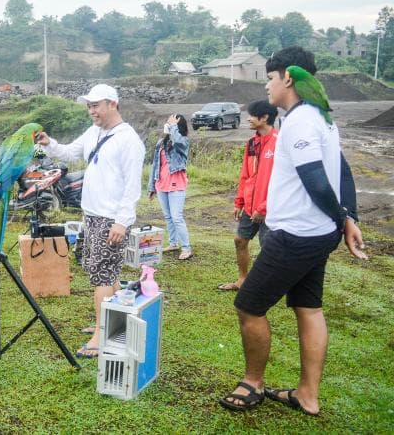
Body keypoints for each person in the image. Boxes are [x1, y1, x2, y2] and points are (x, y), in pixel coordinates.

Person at [219, 46, 367, 415]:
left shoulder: (301, 119)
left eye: (270, 78)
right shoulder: (321, 117)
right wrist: (347, 218)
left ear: (288, 77)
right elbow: (343, 172)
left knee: (249, 305)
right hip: (318, 233)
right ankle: (307, 395)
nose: (267, 86)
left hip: (297, 234)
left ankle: (252, 383)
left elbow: (317, 179)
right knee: (308, 308)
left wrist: (340, 217)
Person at [36, 84, 145, 358]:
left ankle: (101, 333)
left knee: (103, 274)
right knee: (104, 272)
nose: (91, 110)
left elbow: (133, 187)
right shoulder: (93, 132)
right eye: (89, 105)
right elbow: (70, 153)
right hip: (92, 214)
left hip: (111, 219)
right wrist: (50, 145)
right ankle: (111, 320)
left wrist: (122, 222)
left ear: (113, 104)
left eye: (96, 105)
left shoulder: (128, 140)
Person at [218, 101, 278, 291]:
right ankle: (242, 279)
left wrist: (264, 207)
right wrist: (239, 202)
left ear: (265, 118)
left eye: (252, 115)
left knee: (268, 249)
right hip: (251, 206)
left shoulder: (280, 142)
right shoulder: (252, 143)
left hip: (271, 208)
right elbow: (246, 175)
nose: (248, 119)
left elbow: (282, 182)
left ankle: (265, 286)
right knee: (240, 240)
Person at [148, 114, 193, 260]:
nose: (168, 124)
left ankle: (186, 248)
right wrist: (151, 187)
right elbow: (155, 165)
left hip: (176, 183)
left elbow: (179, 142)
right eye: (168, 122)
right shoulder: (161, 142)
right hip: (161, 183)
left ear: (177, 126)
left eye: (171, 122)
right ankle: (173, 243)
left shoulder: (183, 141)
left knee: (176, 217)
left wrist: (173, 127)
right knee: (168, 216)